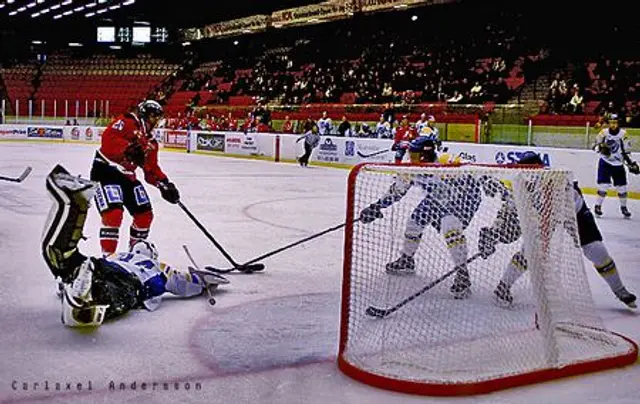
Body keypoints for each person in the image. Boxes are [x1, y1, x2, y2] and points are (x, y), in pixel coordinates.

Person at [42, 165, 227, 328]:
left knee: (67, 260)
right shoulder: (159, 268)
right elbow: (184, 283)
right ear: (152, 254)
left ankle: (75, 272)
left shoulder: (117, 255)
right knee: (116, 296)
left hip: (101, 265)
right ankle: (84, 292)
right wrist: (205, 281)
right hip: (130, 281)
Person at [482, 152, 636, 309]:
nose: (523, 173)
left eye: (526, 169)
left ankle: (620, 290)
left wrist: (544, 234)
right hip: (545, 217)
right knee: (528, 252)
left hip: (575, 214)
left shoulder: (557, 179)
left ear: (537, 167)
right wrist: (494, 232)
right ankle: (503, 286)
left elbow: (550, 211)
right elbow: (507, 210)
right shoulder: (524, 182)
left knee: (596, 250)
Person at [358, 145, 510, 299]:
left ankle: (462, 274)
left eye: (415, 155)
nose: (411, 158)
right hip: (437, 198)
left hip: (464, 198)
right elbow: (397, 191)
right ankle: (407, 259)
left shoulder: (446, 160)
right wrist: (376, 206)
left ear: (426, 154)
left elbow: (475, 170)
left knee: (450, 228)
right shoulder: (410, 168)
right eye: (411, 154)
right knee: (414, 223)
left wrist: (494, 183)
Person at [90, 100, 180, 257]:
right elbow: (108, 139)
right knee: (114, 214)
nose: (155, 122)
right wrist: (128, 149)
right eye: (153, 117)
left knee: (145, 214)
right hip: (105, 171)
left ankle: (135, 255)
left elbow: (151, 169)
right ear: (144, 115)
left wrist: (165, 184)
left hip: (127, 176)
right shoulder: (127, 122)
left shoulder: (151, 142)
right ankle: (108, 258)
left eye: (157, 118)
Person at [592, 114, 639, 218]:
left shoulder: (623, 134)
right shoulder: (603, 133)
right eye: (611, 123)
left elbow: (626, 151)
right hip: (605, 162)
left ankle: (624, 207)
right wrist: (600, 149)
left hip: (618, 164)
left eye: (615, 123)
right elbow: (594, 146)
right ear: (608, 123)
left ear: (618, 123)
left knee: (622, 188)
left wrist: (632, 163)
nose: (613, 125)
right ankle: (598, 206)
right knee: (603, 186)